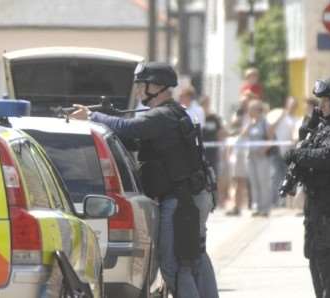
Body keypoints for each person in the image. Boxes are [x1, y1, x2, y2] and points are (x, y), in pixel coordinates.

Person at [70, 62, 219, 298]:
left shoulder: (162, 116)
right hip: (191, 197)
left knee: (175, 266)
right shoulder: (173, 113)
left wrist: (92, 116)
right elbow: (134, 139)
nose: (139, 91)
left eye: (143, 85)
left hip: (181, 201)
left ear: (158, 87)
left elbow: (129, 128)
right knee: (194, 258)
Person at [284, 76, 330, 298]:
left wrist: (298, 154)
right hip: (316, 200)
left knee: (327, 256)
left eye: (327, 101)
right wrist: (309, 124)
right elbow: (307, 141)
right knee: (314, 255)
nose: (321, 106)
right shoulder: (328, 125)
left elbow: (328, 156)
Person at [242, 100, 273, 217]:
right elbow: (243, 135)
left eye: (251, 109)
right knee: (253, 183)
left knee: (263, 182)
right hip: (251, 157)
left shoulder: (265, 123)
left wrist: (264, 149)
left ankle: (265, 207)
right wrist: (249, 124)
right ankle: (256, 206)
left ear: (258, 110)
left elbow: (271, 139)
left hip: (262, 157)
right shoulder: (250, 123)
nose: (249, 111)